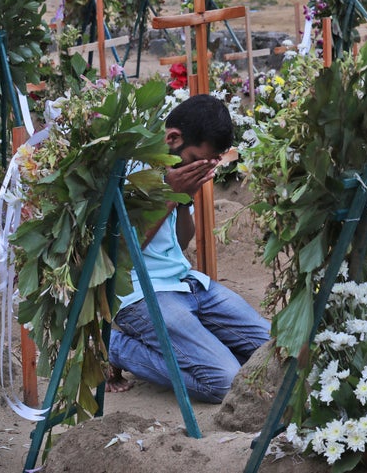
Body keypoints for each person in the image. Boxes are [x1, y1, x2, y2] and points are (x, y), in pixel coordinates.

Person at [107, 94, 271, 404]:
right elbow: (123, 251)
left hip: (190, 284)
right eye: (195, 160)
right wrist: (171, 195)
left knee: (274, 351)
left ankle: (203, 348)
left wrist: (185, 200)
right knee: (226, 383)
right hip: (141, 293)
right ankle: (115, 347)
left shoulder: (179, 172)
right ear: (172, 138)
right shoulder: (128, 167)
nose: (196, 168)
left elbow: (181, 243)